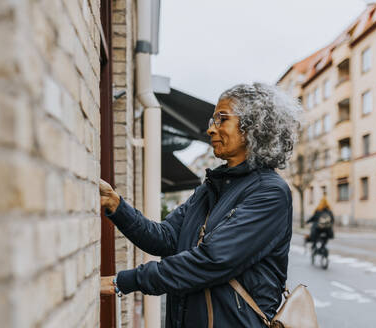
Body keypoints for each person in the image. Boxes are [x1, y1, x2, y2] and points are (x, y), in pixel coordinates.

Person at [99, 83, 301, 327]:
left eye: (221, 119)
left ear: (253, 127)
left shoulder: (270, 192)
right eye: (212, 120)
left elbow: (212, 260)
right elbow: (164, 238)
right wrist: (116, 205)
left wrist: (122, 282)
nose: (210, 130)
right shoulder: (210, 189)